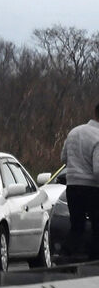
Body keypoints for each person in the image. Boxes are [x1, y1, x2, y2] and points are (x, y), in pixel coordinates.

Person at [60, 101, 99, 261]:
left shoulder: (74, 132)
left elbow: (63, 158)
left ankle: (66, 254)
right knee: (97, 226)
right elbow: (98, 171)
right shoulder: (98, 137)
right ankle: (94, 259)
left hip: (72, 186)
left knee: (77, 225)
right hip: (92, 188)